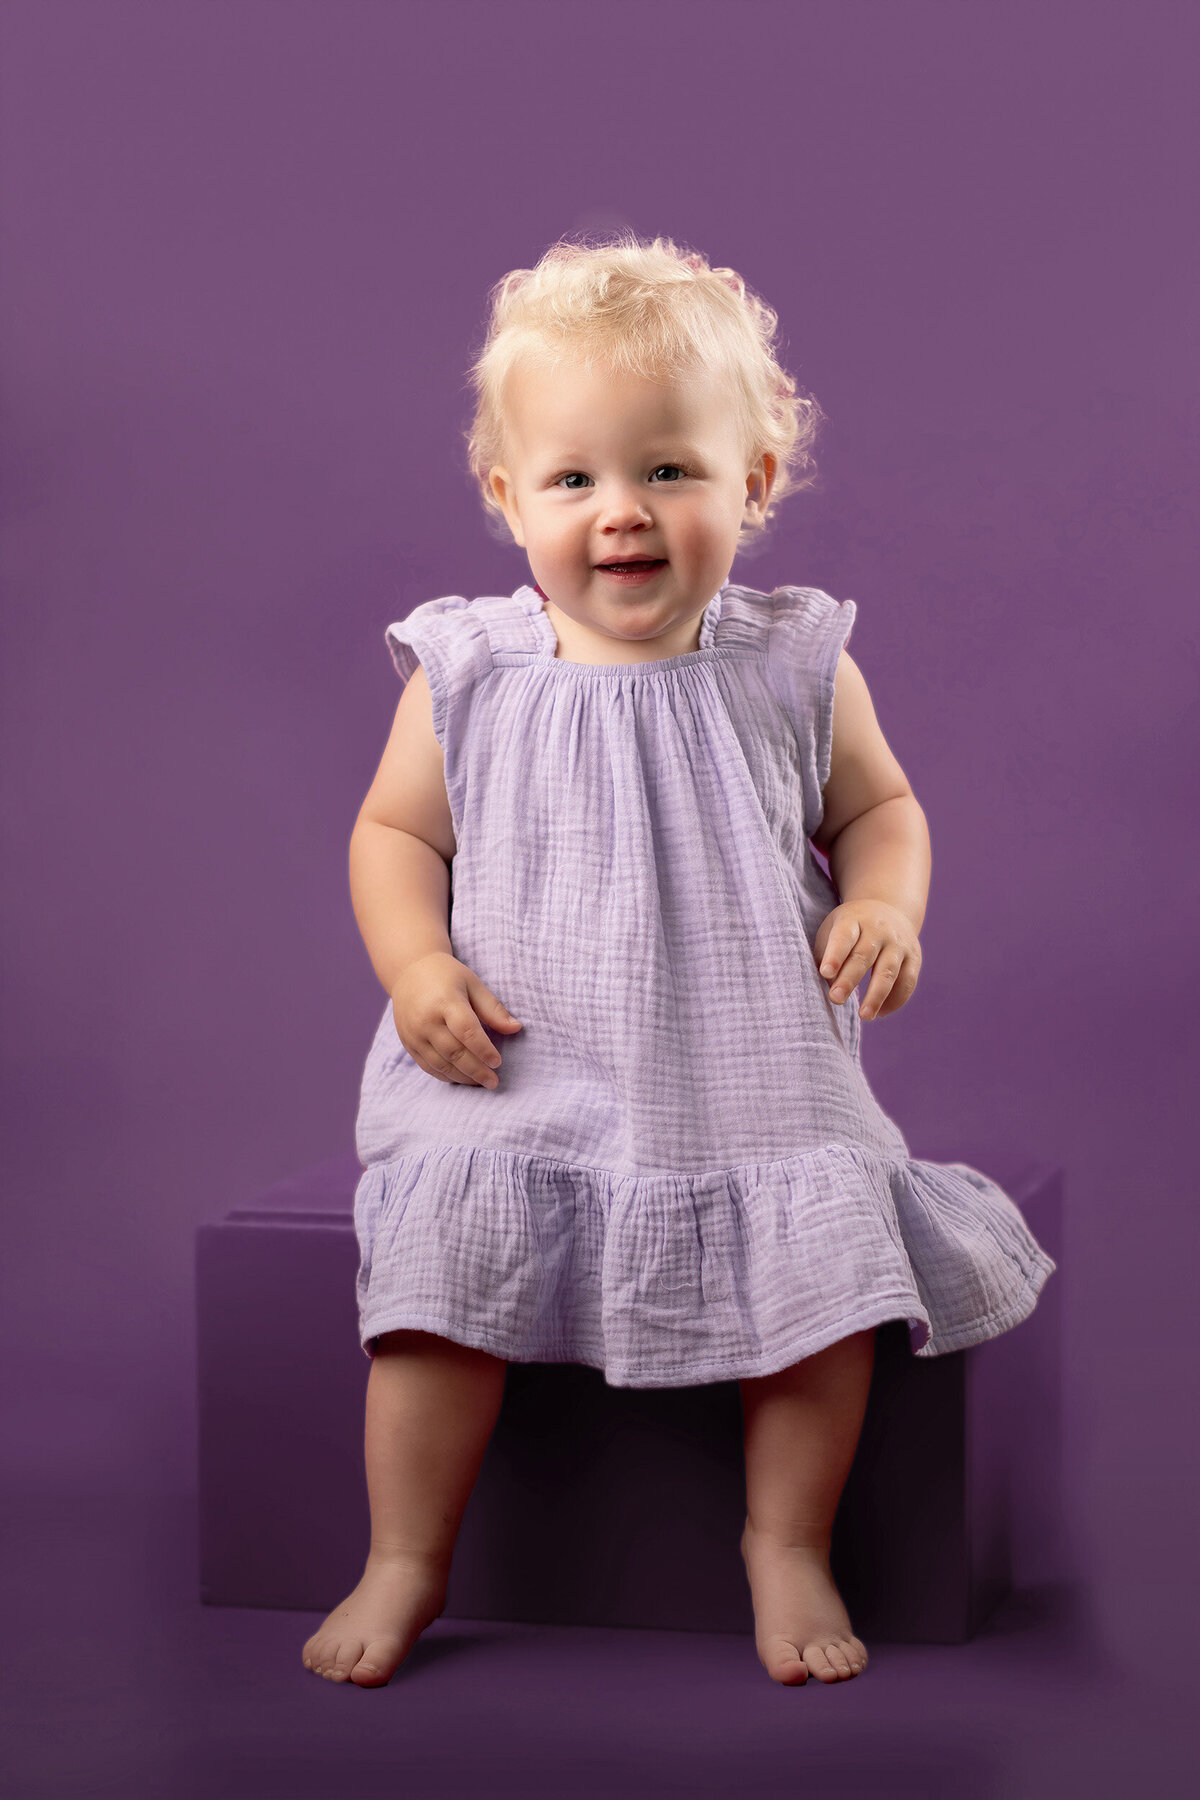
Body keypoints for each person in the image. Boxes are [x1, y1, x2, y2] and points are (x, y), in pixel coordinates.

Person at [302, 233, 1056, 1691]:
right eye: (575, 478)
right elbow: (395, 834)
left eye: (669, 470)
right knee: (434, 1307)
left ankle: (784, 1540)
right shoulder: (473, 672)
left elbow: (878, 808)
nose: (622, 513)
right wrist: (413, 968)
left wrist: (887, 906)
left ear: (755, 484)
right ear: (507, 497)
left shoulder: (795, 664)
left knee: (821, 1302)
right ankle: (404, 1556)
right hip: (519, 1064)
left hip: (747, 1069)